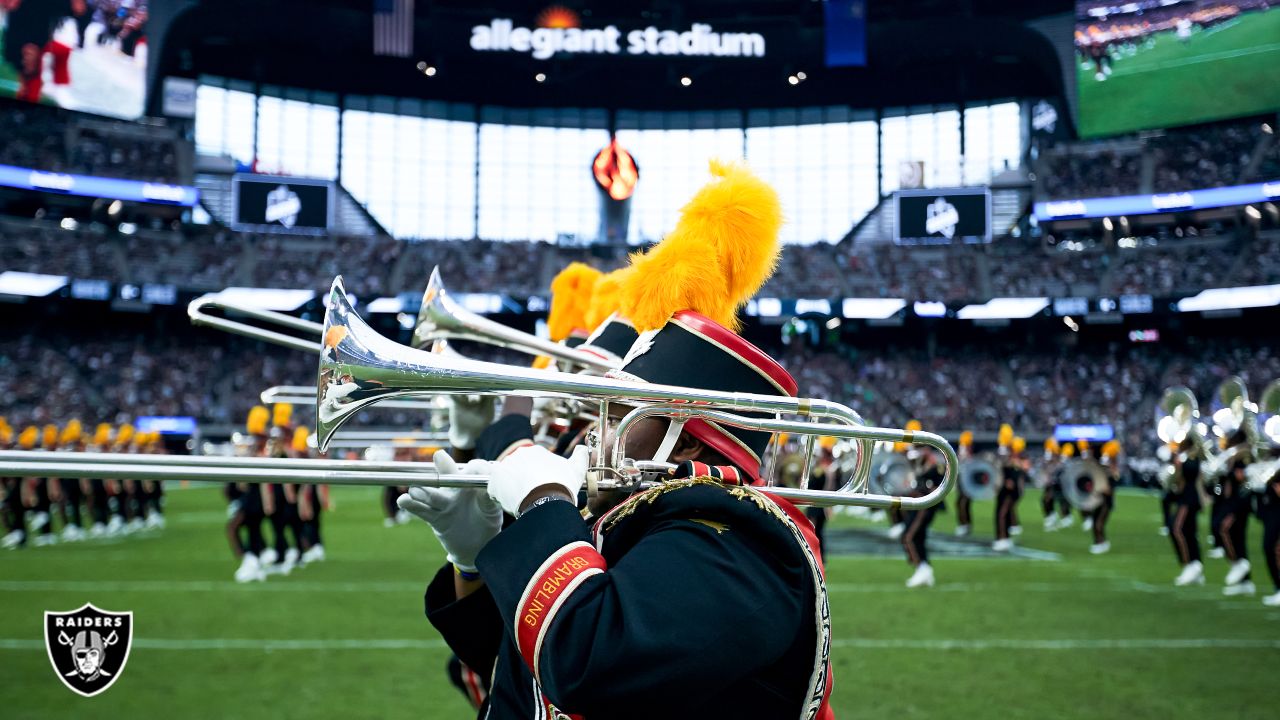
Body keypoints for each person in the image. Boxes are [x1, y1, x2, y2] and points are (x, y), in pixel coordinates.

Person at [401, 161, 834, 719]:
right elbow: (517, 664)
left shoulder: (737, 538)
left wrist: (542, 502)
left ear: (690, 442)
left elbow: (590, 664)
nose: (596, 429)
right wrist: (471, 565)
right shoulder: (635, 515)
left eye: (620, 413)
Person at [1217, 431, 1255, 596]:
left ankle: (1239, 563)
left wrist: (1227, 470)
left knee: (1224, 529)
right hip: (1231, 501)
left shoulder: (1243, 455)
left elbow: (1242, 476)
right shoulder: (1232, 455)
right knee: (1237, 536)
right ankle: (1245, 581)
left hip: (1239, 502)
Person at [904, 446, 945, 587]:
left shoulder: (936, 465)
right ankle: (924, 568)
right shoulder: (918, 463)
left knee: (908, 537)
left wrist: (922, 490)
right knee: (919, 537)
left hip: (925, 507)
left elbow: (939, 488)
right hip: (917, 505)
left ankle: (922, 568)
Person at [1170, 438, 1205, 586]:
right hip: (1186, 498)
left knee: (1177, 529)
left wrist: (1180, 465)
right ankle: (1196, 565)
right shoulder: (1184, 456)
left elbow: (1192, 472)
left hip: (1188, 499)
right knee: (1189, 532)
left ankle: (1189, 564)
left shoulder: (1191, 456)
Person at [993, 436, 1027, 552]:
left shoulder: (1015, 461)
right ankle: (1004, 538)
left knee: (1002, 514)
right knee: (1004, 514)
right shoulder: (1009, 459)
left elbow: (1013, 479)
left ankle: (1002, 538)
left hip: (1009, 493)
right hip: (1006, 492)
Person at [1090, 440, 1120, 554]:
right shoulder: (1099, 474)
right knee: (1095, 523)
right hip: (1097, 502)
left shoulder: (1109, 476)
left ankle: (1101, 542)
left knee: (1099, 524)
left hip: (1106, 503)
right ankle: (1099, 542)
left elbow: (1108, 491)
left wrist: (1100, 488)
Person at [953, 430, 974, 537]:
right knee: (960, 503)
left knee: (963, 503)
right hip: (963, 480)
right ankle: (965, 524)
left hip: (967, 481)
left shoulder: (969, 452)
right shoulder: (964, 449)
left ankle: (965, 525)